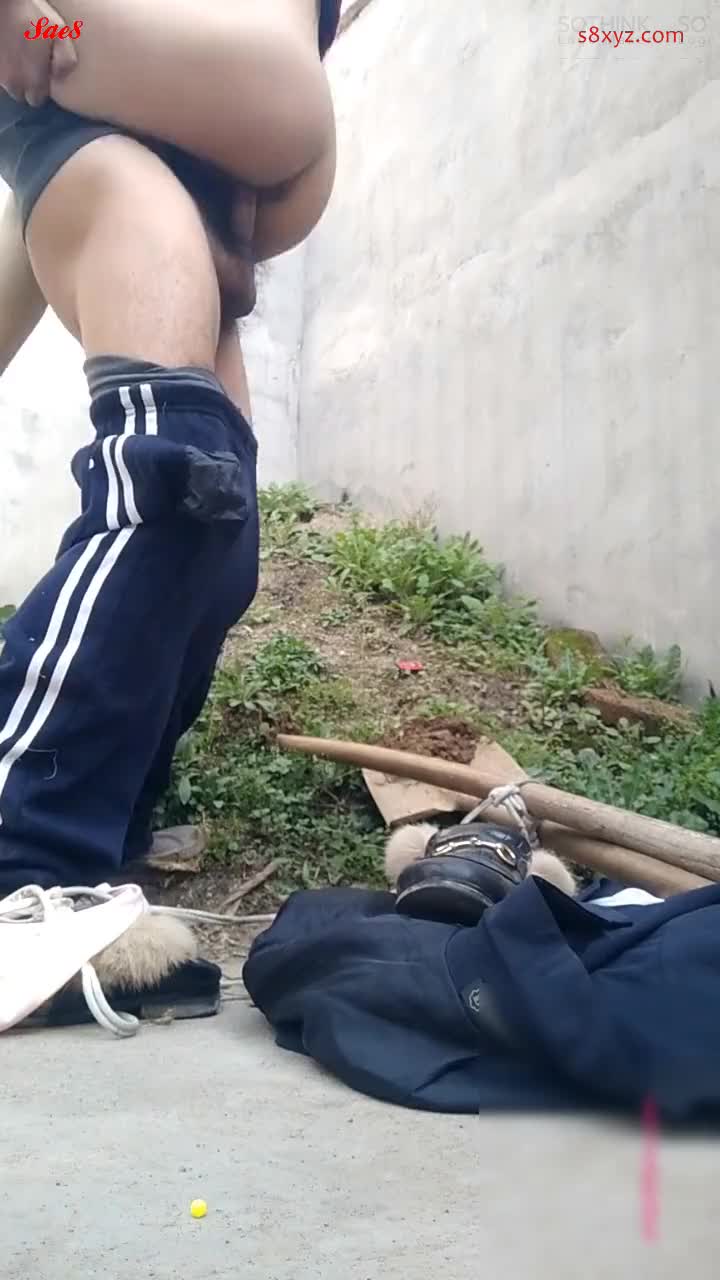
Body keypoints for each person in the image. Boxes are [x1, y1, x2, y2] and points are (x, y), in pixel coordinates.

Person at [0, 0, 341, 892]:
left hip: (193, 196)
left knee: (221, 546)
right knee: (174, 485)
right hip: (110, 141)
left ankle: (105, 833)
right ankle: (25, 857)